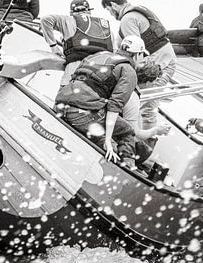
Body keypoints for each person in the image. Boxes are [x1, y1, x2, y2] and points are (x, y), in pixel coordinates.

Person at [55, 35, 148, 168]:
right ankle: (127, 168)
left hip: (60, 105)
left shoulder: (98, 55)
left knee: (107, 130)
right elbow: (114, 106)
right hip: (82, 114)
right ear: (138, 55)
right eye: (142, 55)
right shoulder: (128, 71)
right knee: (126, 132)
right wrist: (108, 140)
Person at [101, 0, 176, 129]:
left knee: (145, 108)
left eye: (109, 10)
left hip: (157, 66)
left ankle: (144, 144)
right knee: (143, 105)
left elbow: (134, 50)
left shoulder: (127, 19)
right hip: (165, 61)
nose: (111, 14)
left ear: (113, 5)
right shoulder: (139, 11)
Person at [40, 0, 114, 85]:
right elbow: (115, 52)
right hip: (101, 76)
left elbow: (45, 20)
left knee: (67, 96)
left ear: (71, 12)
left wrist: (54, 47)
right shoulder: (105, 27)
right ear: (89, 11)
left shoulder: (69, 20)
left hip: (75, 72)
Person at [121, 60, 171, 165]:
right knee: (156, 161)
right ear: (148, 82)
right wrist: (157, 130)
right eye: (154, 83)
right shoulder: (133, 98)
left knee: (152, 159)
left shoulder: (124, 84)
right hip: (123, 143)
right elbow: (136, 135)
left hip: (120, 134)